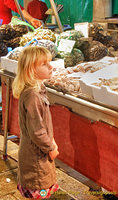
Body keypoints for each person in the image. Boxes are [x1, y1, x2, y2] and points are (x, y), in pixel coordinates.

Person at [12, 46, 59, 199]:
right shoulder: (32, 96)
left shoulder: (37, 89)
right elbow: (37, 131)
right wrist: (50, 147)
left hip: (38, 151)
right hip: (36, 155)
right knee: (39, 187)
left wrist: (51, 140)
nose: (51, 66)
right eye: (44, 64)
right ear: (30, 70)